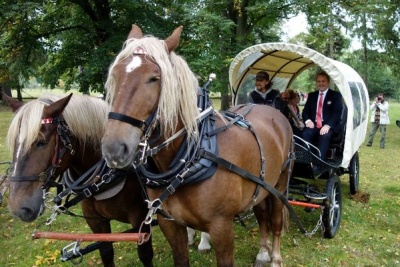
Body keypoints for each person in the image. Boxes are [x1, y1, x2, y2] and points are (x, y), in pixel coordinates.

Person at [301, 72, 343, 161]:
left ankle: (318, 163)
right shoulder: (312, 95)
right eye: (319, 81)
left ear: (328, 82)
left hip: (329, 125)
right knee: (305, 134)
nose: (321, 83)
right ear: (316, 83)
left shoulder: (335, 95)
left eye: (323, 81)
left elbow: (337, 113)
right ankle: (308, 160)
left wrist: (328, 126)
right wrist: (308, 121)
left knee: (324, 136)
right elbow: (305, 111)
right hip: (314, 124)